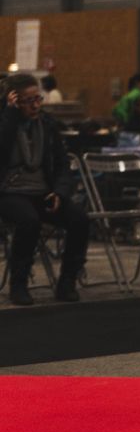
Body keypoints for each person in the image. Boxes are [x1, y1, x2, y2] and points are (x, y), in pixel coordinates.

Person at [0, 74, 89, 306]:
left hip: (43, 192)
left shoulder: (48, 125)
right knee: (29, 221)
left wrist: (59, 192)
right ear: (14, 100)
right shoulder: (5, 121)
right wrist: (9, 115)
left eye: (38, 98)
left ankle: (67, 281)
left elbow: (61, 165)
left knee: (79, 218)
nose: (36, 105)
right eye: (29, 100)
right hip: (9, 192)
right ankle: (18, 284)